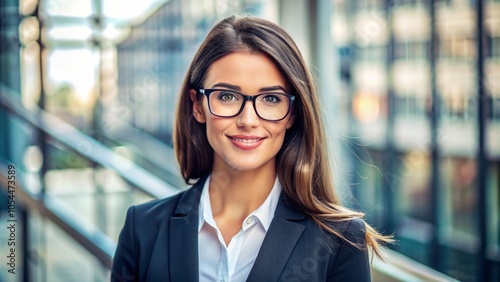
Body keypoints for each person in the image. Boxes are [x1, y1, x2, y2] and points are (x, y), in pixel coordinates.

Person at [112, 15, 392, 282]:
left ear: (292, 113)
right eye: (227, 96)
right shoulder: (143, 228)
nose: (248, 120)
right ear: (198, 105)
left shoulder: (340, 239)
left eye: (271, 98)